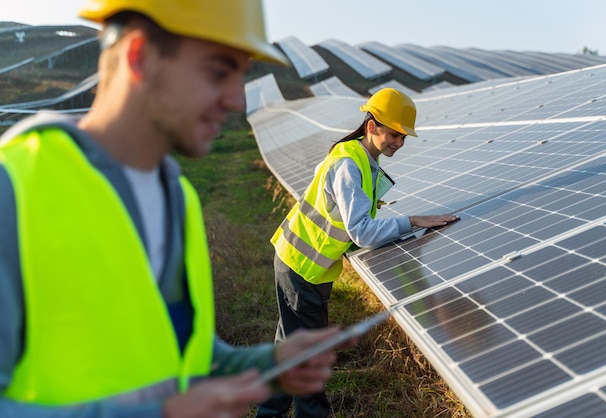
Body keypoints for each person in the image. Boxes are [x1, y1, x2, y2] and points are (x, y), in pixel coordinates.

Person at [0, 0, 345, 417]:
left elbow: (180, 353)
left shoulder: (178, 197)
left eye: (242, 74)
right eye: (218, 72)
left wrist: (269, 365)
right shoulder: (16, 187)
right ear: (139, 55)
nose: (237, 100)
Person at [255, 88, 460, 418]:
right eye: (394, 134)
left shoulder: (361, 159)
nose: (399, 143)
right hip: (302, 270)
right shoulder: (350, 166)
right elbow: (362, 231)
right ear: (372, 126)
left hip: (303, 265)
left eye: (403, 137)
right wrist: (413, 222)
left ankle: (269, 412)